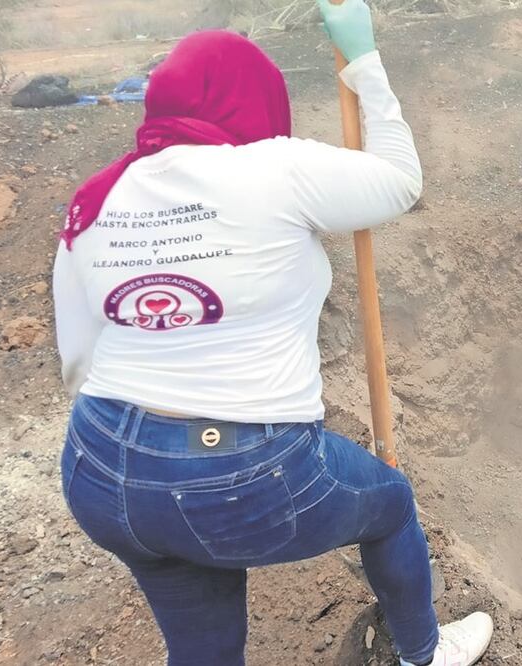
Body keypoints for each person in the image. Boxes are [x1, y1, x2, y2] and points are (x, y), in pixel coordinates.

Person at [51, 2, 493, 665]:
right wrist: (364, 62)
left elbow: (76, 358)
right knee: (390, 504)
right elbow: (400, 182)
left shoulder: (96, 198)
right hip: (242, 472)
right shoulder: (272, 167)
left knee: (202, 643)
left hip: (99, 468)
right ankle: (424, 653)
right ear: (254, 96)